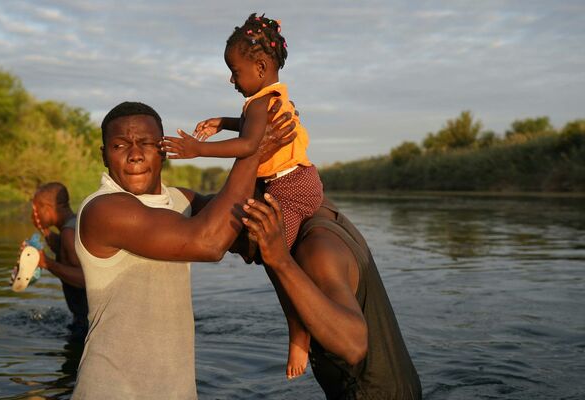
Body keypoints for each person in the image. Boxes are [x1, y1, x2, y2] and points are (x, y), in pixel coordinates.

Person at [72, 100, 296, 399]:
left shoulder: (182, 201)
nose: (135, 155)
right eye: (120, 146)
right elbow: (209, 243)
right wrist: (251, 149)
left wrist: (273, 148)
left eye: (147, 144)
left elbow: (241, 229)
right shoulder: (103, 210)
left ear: (163, 149)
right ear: (104, 156)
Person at [160, 12, 322, 379]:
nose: (231, 79)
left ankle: (300, 333)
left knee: (277, 260)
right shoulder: (266, 98)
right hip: (292, 182)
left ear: (261, 66)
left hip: (291, 189)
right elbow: (250, 125)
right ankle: (299, 327)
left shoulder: (262, 103)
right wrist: (223, 121)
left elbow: (251, 143)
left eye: (235, 71)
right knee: (268, 251)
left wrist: (199, 150)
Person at [241, 194, 423, 399]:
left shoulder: (317, 250)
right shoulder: (319, 208)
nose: (244, 258)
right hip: (401, 388)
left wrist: (280, 261)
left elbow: (353, 346)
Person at [30, 182, 88, 340]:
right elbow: (67, 255)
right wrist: (44, 229)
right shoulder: (73, 224)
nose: (33, 214)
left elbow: (86, 279)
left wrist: (46, 263)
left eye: (36, 210)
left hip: (88, 324)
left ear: (47, 208)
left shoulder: (69, 234)